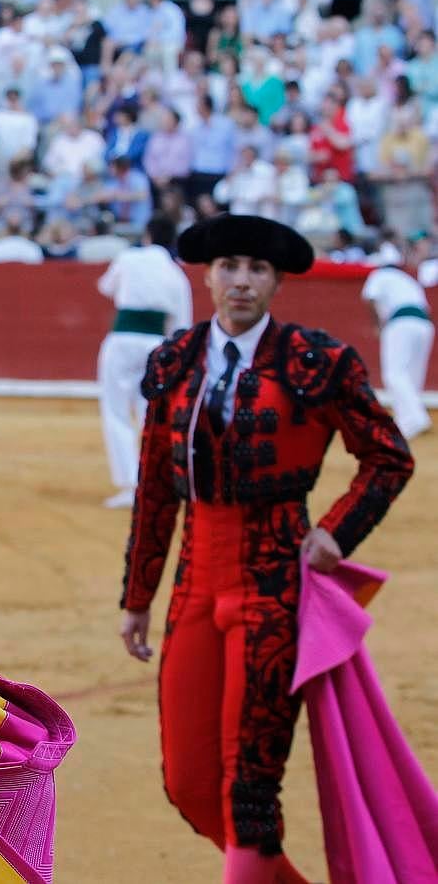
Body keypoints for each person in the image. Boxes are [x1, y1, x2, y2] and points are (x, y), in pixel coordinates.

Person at [118, 214, 414, 884]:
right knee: (191, 783)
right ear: (208, 274)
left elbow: (388, 457)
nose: (241, 281)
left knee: (250, 792)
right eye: (229, 267)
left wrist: (337, 529)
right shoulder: (175, 362)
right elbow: (155, 491)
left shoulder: (317, 361)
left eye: (256, 269)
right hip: (195, 583)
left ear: (277, 281)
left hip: (275, 585)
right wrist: (139, 599)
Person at [96, 218, 193, 509]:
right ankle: (156, 481)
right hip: (155, 346)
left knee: (116, 411)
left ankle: (129, 484)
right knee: (150, 413)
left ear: (147, 235)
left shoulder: (129, 258)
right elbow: (181, 326)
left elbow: (105, 287)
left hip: (122, 340)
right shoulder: (178, 276)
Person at [361, 263, 434, 439]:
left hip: (400, 322)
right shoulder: (409, 281)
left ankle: (416, 419)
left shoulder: (379, 274)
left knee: (394, 373)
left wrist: (378, 325)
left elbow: (370, 297)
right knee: (413, 375)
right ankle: (407, 421)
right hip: (425, 325)